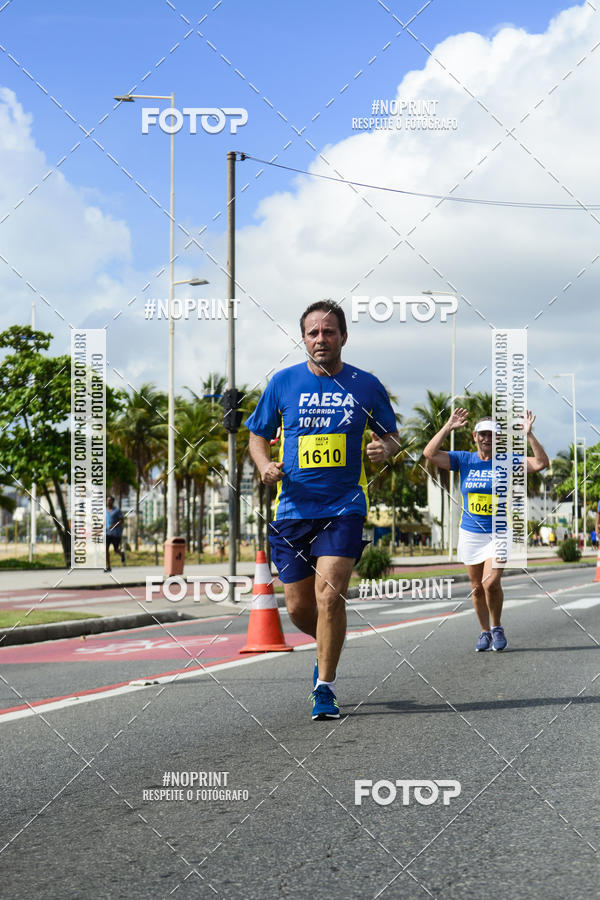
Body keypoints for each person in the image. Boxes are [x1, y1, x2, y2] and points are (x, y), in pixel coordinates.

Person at [247, 300, 399, 720]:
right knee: (298, 607)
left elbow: (393, 437)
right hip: (293, 509)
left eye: (329, 331)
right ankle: (325, 647)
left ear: (343, 337)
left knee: (330, 595)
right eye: (313, 332)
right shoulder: (283, 382)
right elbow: (257, 436)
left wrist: (383, 448)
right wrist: (264, 466)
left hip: (344, 506)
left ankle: (325, 686)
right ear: (303, 339)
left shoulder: (365, 385)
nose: (321, 339)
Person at [423, 409, 549, 652]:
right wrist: (448, 426)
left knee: (491, 582)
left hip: (499, 531)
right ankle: (484, 632)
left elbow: (542, 463)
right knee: (476, 587)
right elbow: (429, 453)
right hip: (471, 533)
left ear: (499, 439)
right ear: (474, 436)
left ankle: (497, 626)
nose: (487, 439)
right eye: (482, 434)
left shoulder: (508, 461)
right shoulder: (464, 460)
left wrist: (529, 435)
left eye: (492, 435)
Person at [105, 496, 125, 572]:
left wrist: (114, 525)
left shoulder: (117, 510)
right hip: (107, 533)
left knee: (116, 550)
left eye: (110, 500)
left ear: (113, 502)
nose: (108, 502)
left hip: (116, 534)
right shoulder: (105, 510)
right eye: (107, 500)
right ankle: (108, 566)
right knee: (106, 549)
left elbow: (122, 521)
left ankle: (122, 554)